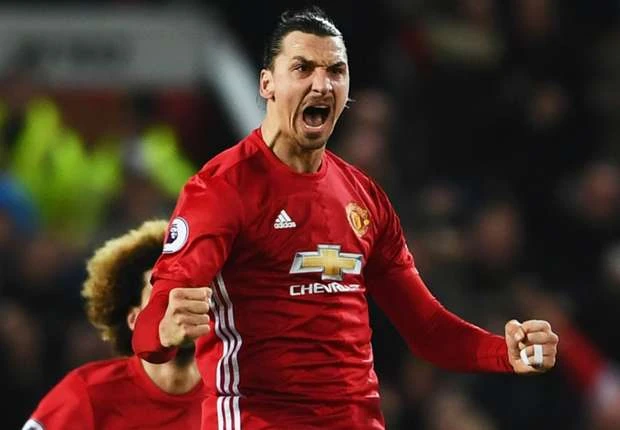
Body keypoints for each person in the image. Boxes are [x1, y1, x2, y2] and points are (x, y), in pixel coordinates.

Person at [132, 6, 559, 429]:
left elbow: (427, 328)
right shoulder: (222, 189)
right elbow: (151, 326)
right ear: (267, 84)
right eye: (302, 68)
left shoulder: (364, 197)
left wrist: (504, 353)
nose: (322, 84)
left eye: (335, 71)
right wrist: (165, 331)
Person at [23, 220, 206, 430]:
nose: (180, 304)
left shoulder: (234, 396)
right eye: (162, 295)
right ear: (134, 320)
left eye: (191, 290)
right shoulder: (85, 396)